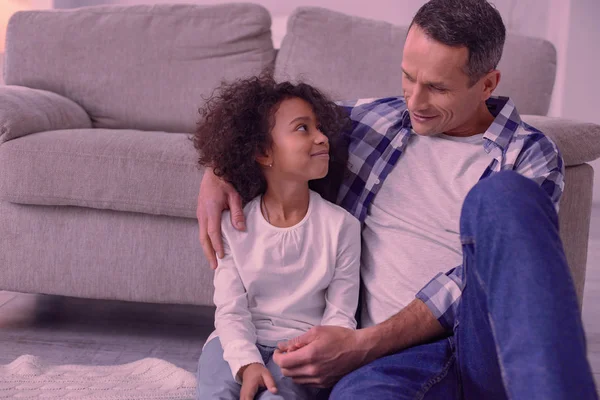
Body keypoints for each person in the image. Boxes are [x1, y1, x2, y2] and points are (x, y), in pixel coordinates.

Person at [196, 0, 599, 398]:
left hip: (480, 347)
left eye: (437, 88)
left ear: (487, 84)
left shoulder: (527, 153)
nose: (415, 101)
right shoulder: (375, 120)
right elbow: (264, 127)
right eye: (408, 77)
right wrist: (217, 171)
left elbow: (478, 281)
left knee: (503, 196)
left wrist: (366, 343)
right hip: (385, 367)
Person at [192, 75, 361, 400]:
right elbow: (230, 310)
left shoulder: (342, 227)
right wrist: (246, 363)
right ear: (263, 152)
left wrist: (309, 352)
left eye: (320, 128)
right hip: (233, 339)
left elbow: (340, 317)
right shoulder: (234, 226)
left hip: (302, 347)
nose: (322, 138)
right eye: (303, 128)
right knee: (218, 391)